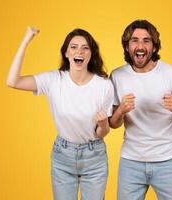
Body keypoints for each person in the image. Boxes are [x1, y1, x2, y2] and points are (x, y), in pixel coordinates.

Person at [6, 27, 114, 200]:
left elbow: (102, 133)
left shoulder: (104, 86)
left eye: (85, 47)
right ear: (66, 52)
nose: (79, 51)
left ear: (91, 53)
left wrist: (103, 125)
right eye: (73, 47)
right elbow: (12, 81)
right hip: (63, 156)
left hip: (94, 157)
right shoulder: (53, 80)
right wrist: (26, 40)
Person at [109, 20, 172, 200]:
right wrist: (120, 111)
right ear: (127, 46)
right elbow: (113, 124)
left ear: (154, 47)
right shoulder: (117, 76)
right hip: (131, 162)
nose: (140, 45)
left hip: (167, 162)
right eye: (134, 40)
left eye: (146, 40)